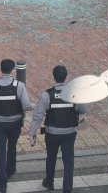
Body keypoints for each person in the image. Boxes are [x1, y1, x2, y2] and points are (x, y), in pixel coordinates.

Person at [26, 65, 86, 193]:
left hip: (52, 133)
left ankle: (49, 182)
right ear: (66, 77)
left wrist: (32, 133)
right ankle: (67, 189)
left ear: (54, 77)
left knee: (51, 157)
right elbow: (83, 109)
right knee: (68, 161)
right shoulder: (73, 93)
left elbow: (38, 116)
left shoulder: (47, 95)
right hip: (70, 133)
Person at [0, 58, 31, 193]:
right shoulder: (19, 86)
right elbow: (26, 106)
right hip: (15, 123)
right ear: (12, 70)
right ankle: (11, 170)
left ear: (0, 69)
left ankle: (2, 183)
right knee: (12, 146)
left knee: (0, 152)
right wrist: (35, 106)